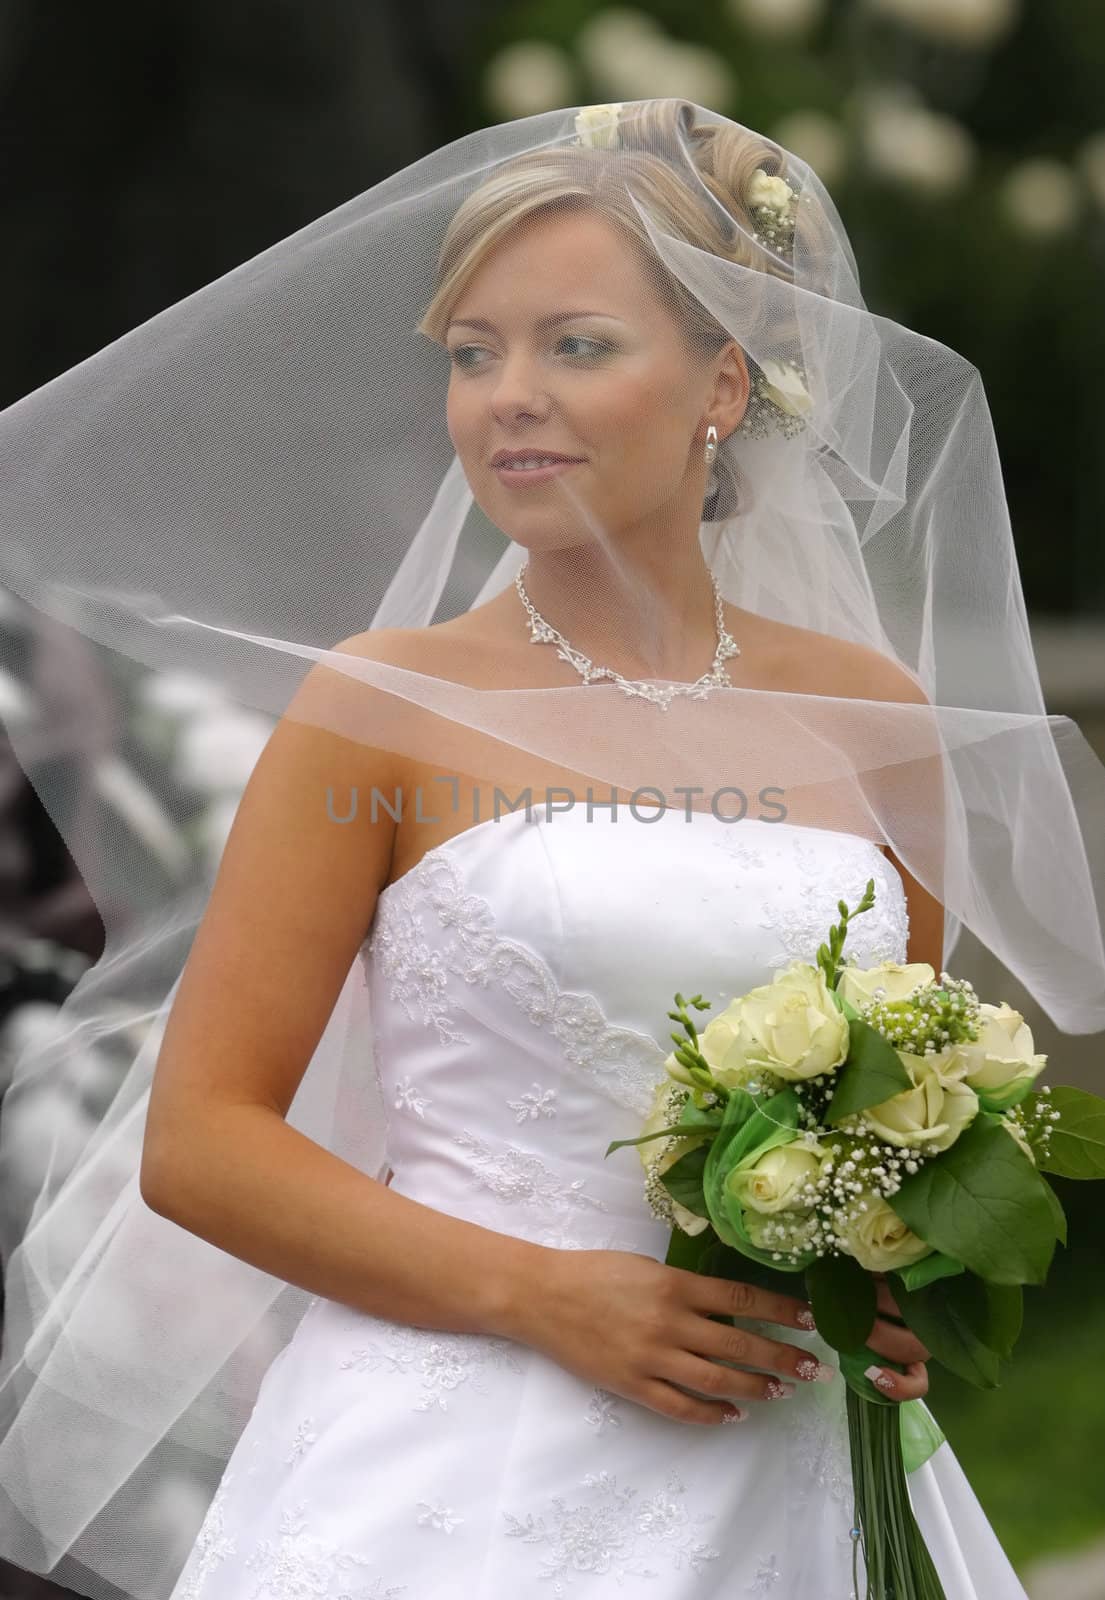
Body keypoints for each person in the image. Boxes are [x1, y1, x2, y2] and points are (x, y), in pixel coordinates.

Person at [0, 96, 1102, 1600]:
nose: (506, 396)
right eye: (473, 354)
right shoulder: (376, 709)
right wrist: (546, 1298)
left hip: (781, 1439)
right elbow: (202, 1145)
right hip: (449, 1466)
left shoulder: (866, 713)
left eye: (574, 345)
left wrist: (878, 1260)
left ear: (722, 382)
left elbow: (888, 1084)